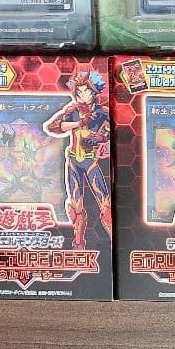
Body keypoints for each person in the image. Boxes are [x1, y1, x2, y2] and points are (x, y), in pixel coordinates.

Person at [45, 70, 111, 250]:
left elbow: (114, 129)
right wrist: (79, 123)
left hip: (91, 161)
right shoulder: (73, 110)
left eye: (86, 91)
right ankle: (78, 245)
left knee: (106, 208)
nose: (82, 96)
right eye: (79, 92)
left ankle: (114, 244)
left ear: (94, 92)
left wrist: (100, 138)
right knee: (76, 210)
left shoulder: (102, 112)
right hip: (74, 162)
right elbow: (53, 126)